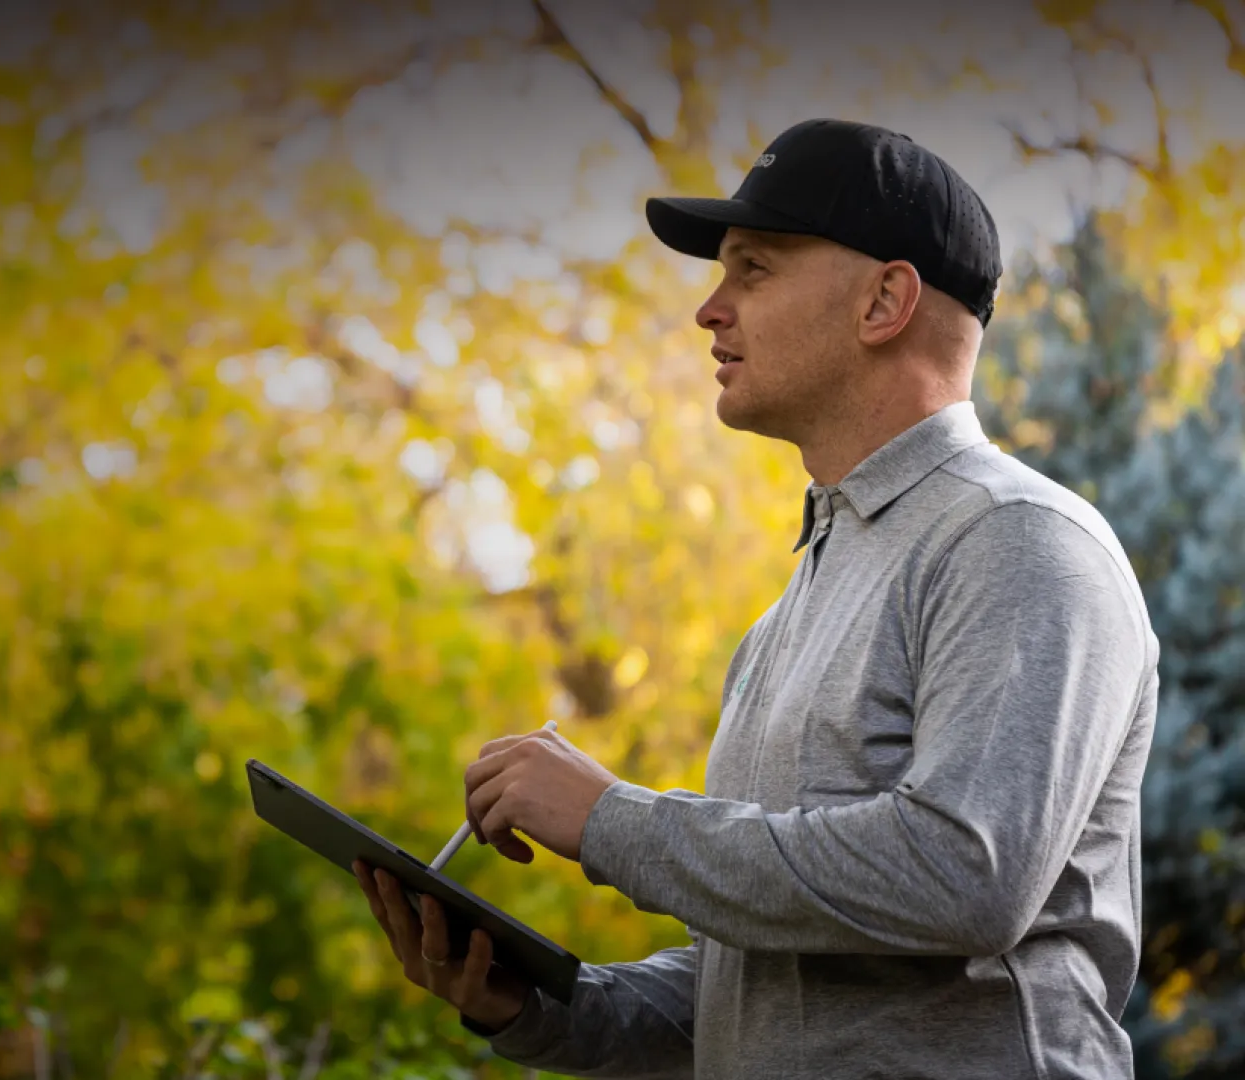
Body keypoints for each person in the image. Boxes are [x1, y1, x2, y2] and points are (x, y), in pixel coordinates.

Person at [352, 117, 1161, 1078]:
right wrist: (534, 1005)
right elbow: (760, 981)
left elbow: (965, 874)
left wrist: (612, 820)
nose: (708, 309)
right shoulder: (792, 609)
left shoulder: (1016, 541)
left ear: (884, 301)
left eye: (753, 268)